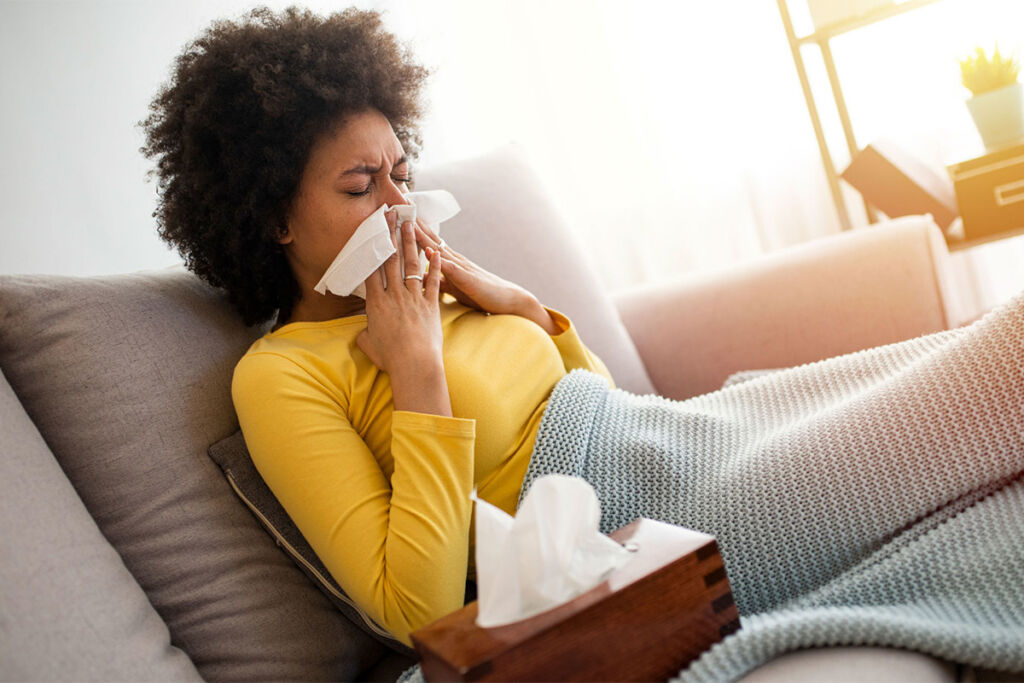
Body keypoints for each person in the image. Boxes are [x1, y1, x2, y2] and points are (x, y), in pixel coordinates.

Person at [143, 6, 1024, 680]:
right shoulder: (283, 374)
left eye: (403, 173)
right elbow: (412, 599)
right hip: (631, 522)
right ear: (273, 219)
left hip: (679, 436)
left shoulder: (447, 287)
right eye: (359, 185)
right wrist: (417, 371)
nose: (398, 205)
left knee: (959, 373)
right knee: (999, 371)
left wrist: (519, 304)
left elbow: (592, 391)